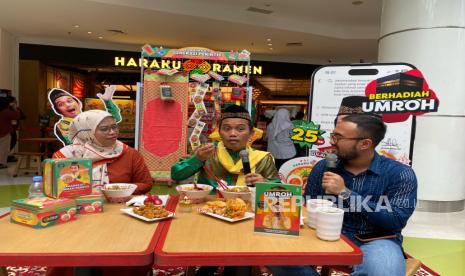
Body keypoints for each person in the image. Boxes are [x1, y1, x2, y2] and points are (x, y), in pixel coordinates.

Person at [267, 115, 417, 276]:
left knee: (385, 271)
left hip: (376, 240)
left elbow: (395, 220)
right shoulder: (324, 167)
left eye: (338, 137)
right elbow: (306, 205)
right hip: (321, 233)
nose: (331, 142)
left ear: (365, 144)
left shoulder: (400, 174)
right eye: (333, 135)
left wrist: (345, 193)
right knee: (272, 254)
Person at [172, 105, 280, 189]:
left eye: (240, 129)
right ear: (219, 132)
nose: (233, 133)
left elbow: (279, 189)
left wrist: (264, 183)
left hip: (247, 209)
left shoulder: (263, 158)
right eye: (227, 128)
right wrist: (198, 159)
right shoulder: (206, 151)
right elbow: (176, 174)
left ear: (251, 134)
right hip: (210, 207)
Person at [53, 109, 152, 195]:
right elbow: (55, 188)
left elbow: (146, 184)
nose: (113, 132)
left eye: (114, 127)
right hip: (77, 211)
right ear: (86, 132)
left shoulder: (129, 153)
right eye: (104, 129)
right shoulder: (65, 156)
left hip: (119, 210)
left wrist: (120, 190)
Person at [48, 86, 121, 146]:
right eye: (61, 104)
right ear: (58, 110)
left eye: (69, 101)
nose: (67, 105)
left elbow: (115, 119)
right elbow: (73, 142)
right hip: (80, 158)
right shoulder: (62, 125)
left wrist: (108, 102)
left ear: (78, 103)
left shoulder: (89, 116)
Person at [0, 95, 21, 169]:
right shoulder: (6, 111)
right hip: (4, 132)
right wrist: (15, 108)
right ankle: (1, 163)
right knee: (4, 148)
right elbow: (17, 116)